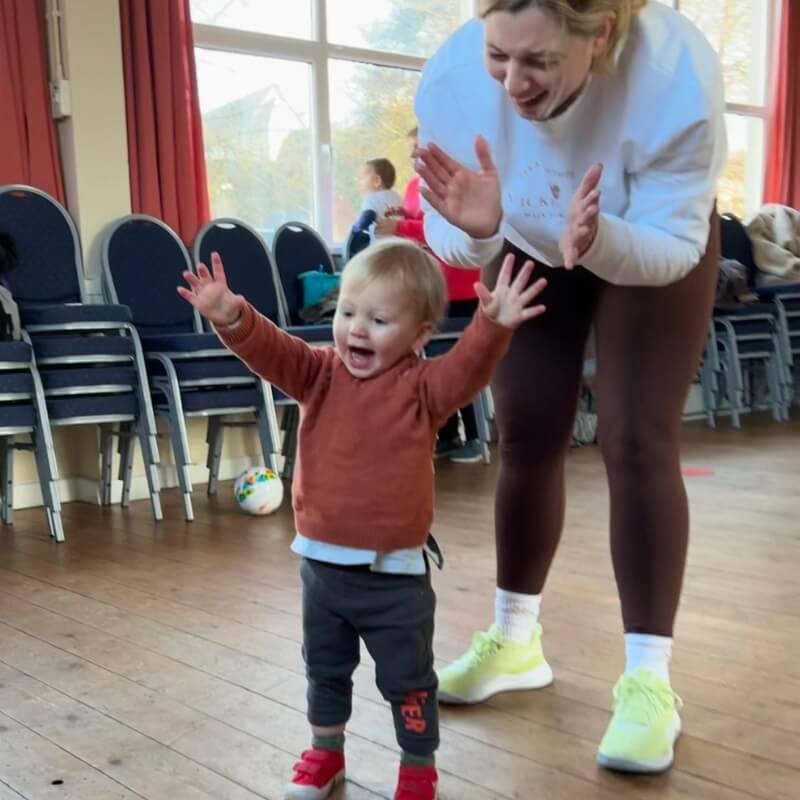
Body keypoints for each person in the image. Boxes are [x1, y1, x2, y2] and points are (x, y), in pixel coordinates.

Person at [414, 0, 726, 774]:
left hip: (642, 236)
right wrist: (482, 230)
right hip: (521, 226)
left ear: (602, 37)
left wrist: (599, 242)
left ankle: (649, 682)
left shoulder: (676, 75)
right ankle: (515, 640)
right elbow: (443, 220)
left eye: (540, 62)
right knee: (524, 429)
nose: (514, 83)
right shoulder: (455, 76)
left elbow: (674, 242)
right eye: (500, 57)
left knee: (635, 435)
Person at [177, 238, 547, 800]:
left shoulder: (424, 389)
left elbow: (466, 370)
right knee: (323, 670)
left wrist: (491, 328)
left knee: (410, 681)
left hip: (394, 578)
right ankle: (325, 753)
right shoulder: (317, 374)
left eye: (378, 320)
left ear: (419, 335)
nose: (356, 329)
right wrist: (231, 315)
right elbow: (272, 350)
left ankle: (418, 768)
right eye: (347, 313)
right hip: (321, 573)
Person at [378, 128, 485, 463]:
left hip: (462, 284)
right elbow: (419, 224)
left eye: (417, 149)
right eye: (410, 150)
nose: (412, 157)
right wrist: (403, 221)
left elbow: (444, 227)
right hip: (430, 285)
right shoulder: (411, 188)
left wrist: (400, 228)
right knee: (435, 362)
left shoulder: (454, 183)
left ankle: (477, 438)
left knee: (462, 362)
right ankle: (449, 434)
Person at [351, 158, 404, 234]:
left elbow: (365, 220)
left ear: (377, 181)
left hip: (381, 243)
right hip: (401, 242)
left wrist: (355, 228)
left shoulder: (371, 200)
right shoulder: (397, 197)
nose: (359, 182)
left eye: (362, 178)